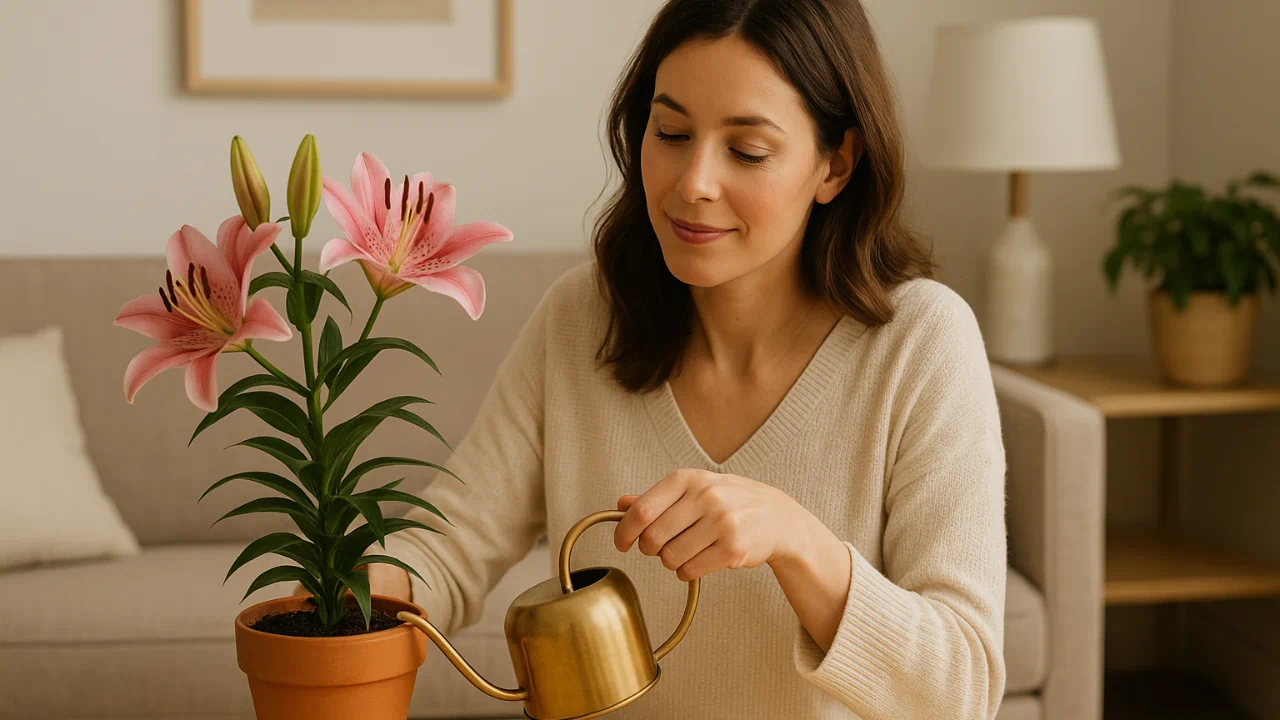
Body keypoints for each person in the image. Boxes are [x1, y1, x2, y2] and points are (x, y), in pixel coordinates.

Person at [300, 0, 1007, 717]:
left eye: (748, 151)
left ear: (836, 164)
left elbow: (963, 689)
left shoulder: (921, 342)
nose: (691, 181)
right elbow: (447, 551)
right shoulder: (582, 317)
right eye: (670, 132)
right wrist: (347, 597)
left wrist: (796, 540)